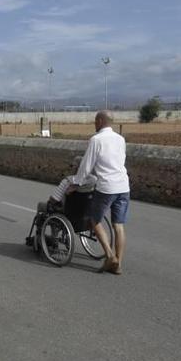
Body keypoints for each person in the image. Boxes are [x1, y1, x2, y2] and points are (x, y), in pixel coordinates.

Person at [72, 110, 130, 274]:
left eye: (95, 121)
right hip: (123, 186)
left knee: (94, 220)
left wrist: (76, 183)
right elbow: (120, 160)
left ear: (100, 121)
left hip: (106, 187)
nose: (94, 124)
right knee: (118, 225)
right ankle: (119, 263)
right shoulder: (120, 139)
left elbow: (86, 165)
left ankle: (110, 256)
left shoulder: (96, 140)